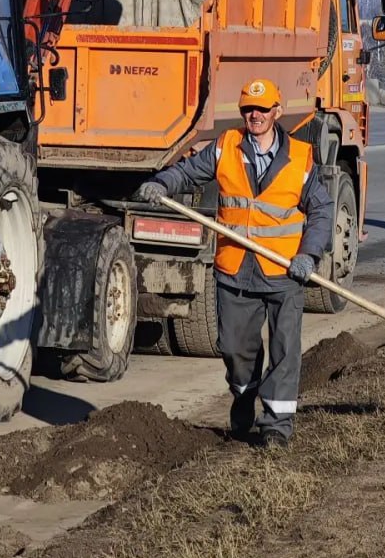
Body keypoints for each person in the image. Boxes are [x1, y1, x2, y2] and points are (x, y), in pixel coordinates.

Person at [134, 78, 333, 449]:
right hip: (236, 269)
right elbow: (187, 172)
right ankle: (244, 394)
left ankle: (276, 427)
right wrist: (162, 183)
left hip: (284, 271)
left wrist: (309, 254)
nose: (254, 115)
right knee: (233, 349)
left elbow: (321, 209)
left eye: (262, 109)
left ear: (277, 112)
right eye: (248, 109)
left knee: (285, 350)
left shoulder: (300, 157)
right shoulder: (226, 146)